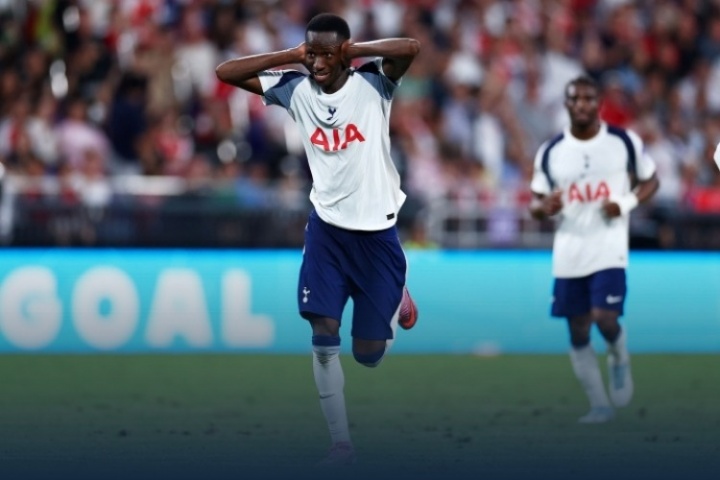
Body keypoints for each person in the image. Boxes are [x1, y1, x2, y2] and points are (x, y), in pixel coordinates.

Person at [215, 13, 420, 464]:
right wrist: (291, 55)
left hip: (376, 235)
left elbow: (410, 48)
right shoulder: (295, 89)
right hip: (326, 231)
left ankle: (397, 296)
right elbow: (225, 72)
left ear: (344, 53)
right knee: (323, 335)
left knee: (368, 355)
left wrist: (355, 50)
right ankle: (341, 444)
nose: (318, 63)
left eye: (328, 54)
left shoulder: (374, 83)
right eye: (313, 53)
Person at [529, 76, 659, 424]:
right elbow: (535, 202)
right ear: (567, 104)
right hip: (569, 249)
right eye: (576, 99)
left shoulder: (622, 141)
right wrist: (545, 206)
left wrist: (625, 203)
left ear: (598, 103)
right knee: (578, 329)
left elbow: (651, 180)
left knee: (604, 317)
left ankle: (618, 354)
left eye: (589, 98)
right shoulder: (552, 151)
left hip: (609, 245)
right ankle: (599, 405)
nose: (582, 105)